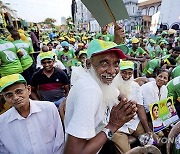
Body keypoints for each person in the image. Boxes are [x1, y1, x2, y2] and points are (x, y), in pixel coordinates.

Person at [64, 39, 138, 154]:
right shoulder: (89, 91)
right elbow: (73, 152)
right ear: (88, 64)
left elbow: (115, 92)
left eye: (116, 64)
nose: (112, 71)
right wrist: (114, 125)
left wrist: (126, 103)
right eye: (104, 63)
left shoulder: (97, 81)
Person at [0, 74, 64, 153]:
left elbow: (59, 140)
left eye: (19, 91)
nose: (15, 97)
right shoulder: (2, 122)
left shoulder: (49, 108)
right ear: (4, 98)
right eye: (9, 95)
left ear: (28, 90)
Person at [112, 60, 151, 153]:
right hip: (118, 128)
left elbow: (140, 108)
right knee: (127, 152)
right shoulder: (111, 85)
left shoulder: (135, 86)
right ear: (119, 72)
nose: (126, 76)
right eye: (124, 72)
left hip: (134, 123)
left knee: (152, 142)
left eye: (130, 73)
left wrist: (148, 130)